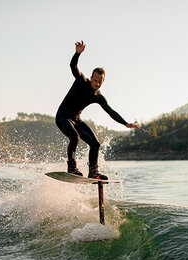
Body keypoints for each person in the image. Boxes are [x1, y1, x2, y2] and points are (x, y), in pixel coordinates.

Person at [56, 41, 139, 180]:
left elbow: (111, 111)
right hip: (62, 117)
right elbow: (73, 66)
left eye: (100, 81)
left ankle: (93, 172)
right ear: (92, 78)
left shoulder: (98, 97)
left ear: (103, 81)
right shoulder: (82, 81)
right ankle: (71, 168)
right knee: (74, 137)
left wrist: (125, 123)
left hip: (76, 119)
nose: (96, 83)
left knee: (95, 143)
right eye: (95, 80)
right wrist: (77, 53)